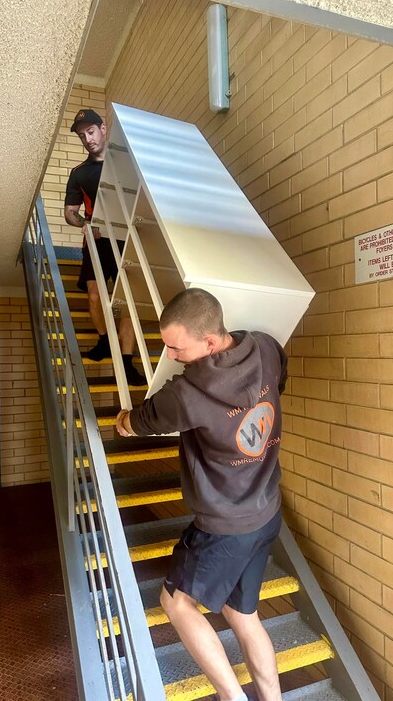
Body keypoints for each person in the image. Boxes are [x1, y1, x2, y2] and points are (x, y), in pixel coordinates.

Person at [116, 288, 286, 701]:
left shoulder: (184, 395)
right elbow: (281, 378)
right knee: (243, 615)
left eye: (176, 347)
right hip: (266, 511)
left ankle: (232, 697)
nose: (170, 355)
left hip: (224, 527)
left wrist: (122, 417)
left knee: (175, 604)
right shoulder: (263, 347)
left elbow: (132, 424)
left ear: (209, 342)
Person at [64, 108, 145, 386]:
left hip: (126, 241)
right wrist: (84, 223)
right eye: (81, 135)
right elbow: (69, 212)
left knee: (125, 302)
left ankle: (126, 361)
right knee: (96, 297)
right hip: (96, 243)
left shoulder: (127, 163)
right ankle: (103, 341)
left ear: (102, 129)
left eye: (90, 131)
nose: (87, 138)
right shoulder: (79, 173)